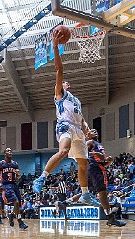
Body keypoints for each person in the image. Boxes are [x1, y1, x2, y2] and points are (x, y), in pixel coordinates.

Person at [33, 28, 93, 205]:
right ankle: (41, 178)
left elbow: (81, 118)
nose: (64, 82)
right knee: (63, 151)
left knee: (83, 164)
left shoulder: (76, 100)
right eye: (62, 82)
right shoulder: (60, 94)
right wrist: (55, 47)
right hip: (65, 125)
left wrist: (87, 129)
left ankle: (85, 194)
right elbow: (59, 69)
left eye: (66, 82)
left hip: (77, 128)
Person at [56, 130, 126, 226]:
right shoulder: (90, 142)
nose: (95, 132)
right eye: (92, 131)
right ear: (88, 135)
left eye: (96, 131)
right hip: (93, 168)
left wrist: (108, 161)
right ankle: (110, 218)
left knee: (86, 192)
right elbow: (82, 153)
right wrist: (94, 155)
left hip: (95, 168)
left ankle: (64, 203)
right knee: (102, 191)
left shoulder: (98, 144)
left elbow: (103, 162)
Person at [0, 148, 28, 229]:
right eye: (8, 151)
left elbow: (18, 176)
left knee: (18, 205)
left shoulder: (15, 164)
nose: (10, 152)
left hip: (14, 185)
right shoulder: (0, 164)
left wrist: (19, 176)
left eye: (11, 151)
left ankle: (11, 215)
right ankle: (20, 222)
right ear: (4, 154)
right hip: (6, 185)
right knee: (16, 202)